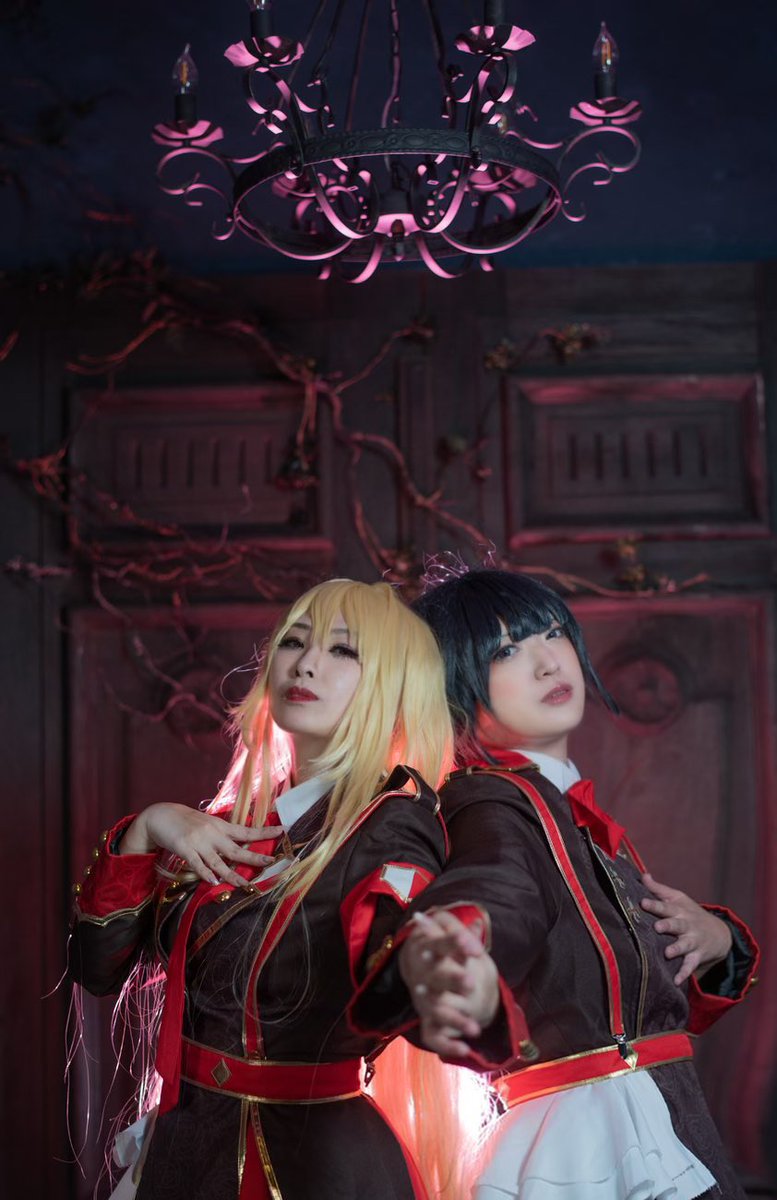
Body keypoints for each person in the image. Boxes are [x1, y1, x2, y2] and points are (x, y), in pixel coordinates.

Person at [350, 568, 760, 1200]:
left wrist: (717, 937)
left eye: (551, 633)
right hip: (597, 1132)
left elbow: (620, 979)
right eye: (505, 652)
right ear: (451, 690)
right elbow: (498, 888)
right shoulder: (495, 803)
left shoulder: (565, 807)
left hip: (654, 1111)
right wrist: (461, 939)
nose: (547, 661)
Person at [69, 577, 467, 1200]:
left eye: (343, 650)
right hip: (183, 1148)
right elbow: (97, 969)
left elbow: (397, 954)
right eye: (293, 641)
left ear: (395, 688)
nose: (305, 663)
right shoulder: (241, 819)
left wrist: (423, 960)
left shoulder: (394, 822)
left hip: (309, 1165)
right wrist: (147, 827)